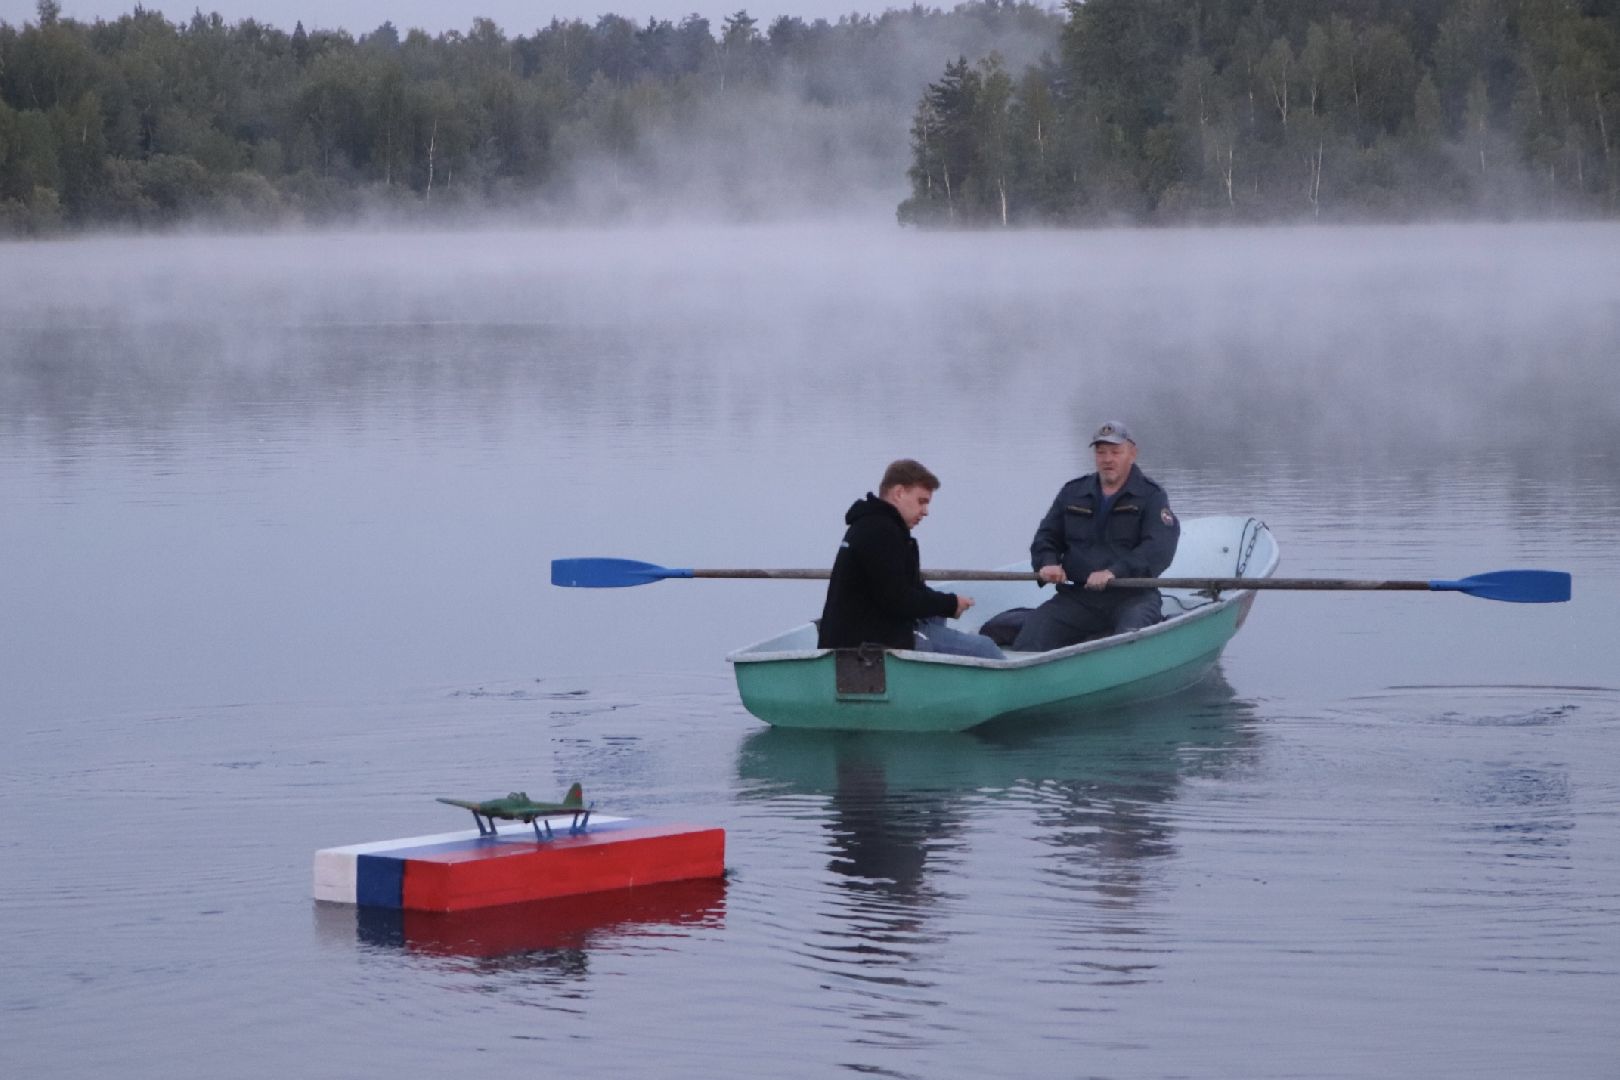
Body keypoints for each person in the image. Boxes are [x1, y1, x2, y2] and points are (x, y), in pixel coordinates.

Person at [1011, 421, 1179, 652]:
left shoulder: (1152, 496)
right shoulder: (1073, 492)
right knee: (1031, 638)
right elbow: (1046, 537)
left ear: (1132, 453)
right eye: (1101, 452)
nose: (1107, 459)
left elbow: (1158, 549)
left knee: (1127, 645)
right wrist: (1047, 563)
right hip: (1079, 598)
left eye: (1115, 452)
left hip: (1133, 597)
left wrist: (1114, 572)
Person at [818, 459, 1004, 659]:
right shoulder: (882, 532)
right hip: (871, 644)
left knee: (936, 615)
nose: (925, 511)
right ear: (899, 493)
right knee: (985, 648)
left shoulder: (871, 524)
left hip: (857, 632)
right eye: (921, 501)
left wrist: (949, 604)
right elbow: (899, 599)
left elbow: (906, 589)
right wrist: (950, 604)